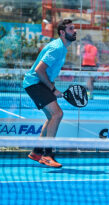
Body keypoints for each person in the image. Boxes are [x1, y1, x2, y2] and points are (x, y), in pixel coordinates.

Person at [23, 19, 77, 168]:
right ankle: (47, 155)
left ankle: (37, 152)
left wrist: (52, 86)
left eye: (74, 28)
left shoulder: (62, 48)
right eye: (71, 29)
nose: (74, 31)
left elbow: (46, 72)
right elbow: (39, 70)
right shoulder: (57, 48)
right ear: (62, 32)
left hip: (40, 84)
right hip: (34, 83)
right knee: (57, 114)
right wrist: (53, 89)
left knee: (51, 117)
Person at [77, 35, 98, 99]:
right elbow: (97, 58)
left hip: (86, 66)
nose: (83, 42)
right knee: (91, 81)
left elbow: (78, 55)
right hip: (93, 66)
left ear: (87, 41)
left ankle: (90, 93)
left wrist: (78, 48)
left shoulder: (84, 47)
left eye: (84, 40)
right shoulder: (95, 48)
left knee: (88, 81)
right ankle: (91, 94)